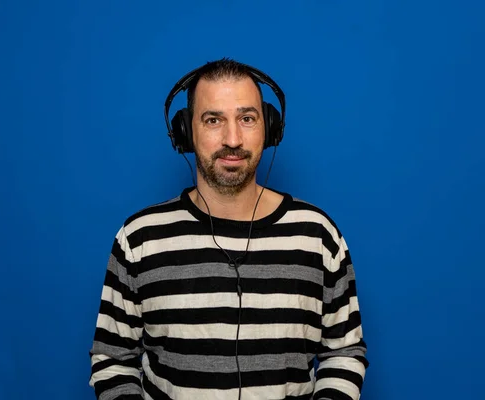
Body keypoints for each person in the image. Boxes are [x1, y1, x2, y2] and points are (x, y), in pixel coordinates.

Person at [88, 58, 369, 400]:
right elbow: (113, 359)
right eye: (213, 120)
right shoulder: (138, 239)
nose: (232, 139)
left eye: (247, 118)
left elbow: (344, 352)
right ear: (185, 132)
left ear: (270, 128)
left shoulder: (318, 236)